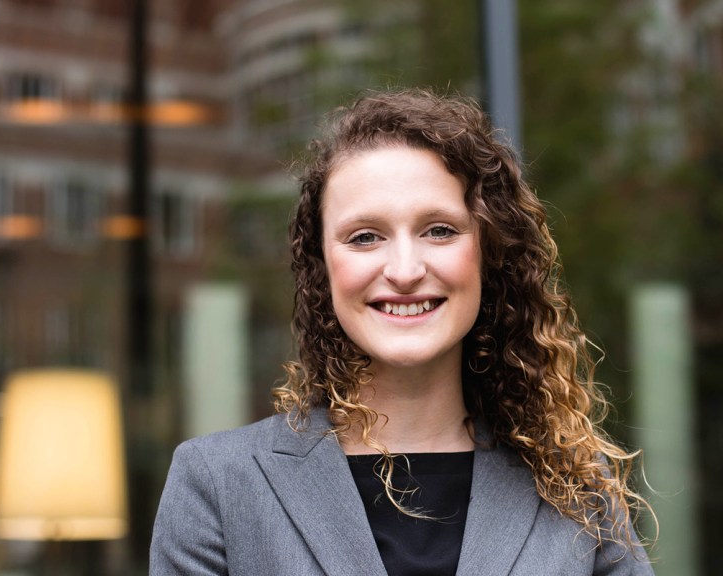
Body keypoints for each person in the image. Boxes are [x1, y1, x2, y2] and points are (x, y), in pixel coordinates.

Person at [150, 88, 655, 575]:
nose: (406, 269)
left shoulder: (575, 484)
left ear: (489, 253)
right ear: (321, 268)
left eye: (439, 230)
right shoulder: (218, 483)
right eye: (365, 237)